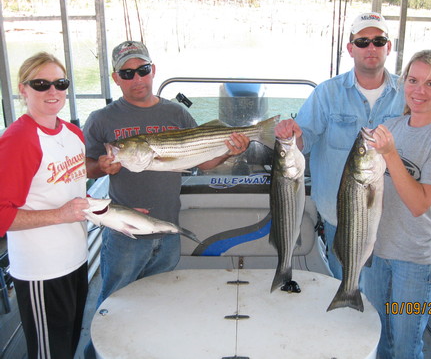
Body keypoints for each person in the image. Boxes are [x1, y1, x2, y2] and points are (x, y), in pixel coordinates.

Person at [83, 41, 250, 306]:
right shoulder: (101, 119)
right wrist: (101, 167)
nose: (137, 78)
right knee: (114, 303)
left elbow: (204, 163)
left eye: (143, 69)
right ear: (116, 78)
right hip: (126, 232)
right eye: (127, 73)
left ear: (153, 70)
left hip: (168, 229)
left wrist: (231, 151)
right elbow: (85, 166)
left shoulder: (176, 112)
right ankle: (98, 349)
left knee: (157, 301)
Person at [274, 12, 405, 278]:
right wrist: (291, 135)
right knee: (346, 287)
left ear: (389, 47)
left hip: (395, 220)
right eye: (362, 42)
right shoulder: (326, 93)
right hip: (339, 216)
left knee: (385, 302)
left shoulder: (409, 93)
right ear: (350, 48)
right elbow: (304, 140)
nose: (371, 48)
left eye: (379, 41)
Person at [361, 50, 431, 359]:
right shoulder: (391, 125)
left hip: (415, 261)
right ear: (403, 82)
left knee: (406, 347)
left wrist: (391, 154)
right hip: (377, 253)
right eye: (413, 80)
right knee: (380, 341)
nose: (419, 91)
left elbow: (419, 204)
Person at [0, 52, 89, 359]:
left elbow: (75, 194)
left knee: (68, 345)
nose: (53, 91)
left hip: (76, 260)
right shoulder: (20, 139)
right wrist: (60, 215)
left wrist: (113, 215)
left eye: (60, 83)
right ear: (23, 90)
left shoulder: (73, 133)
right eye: (41, 84)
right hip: (42, 269)